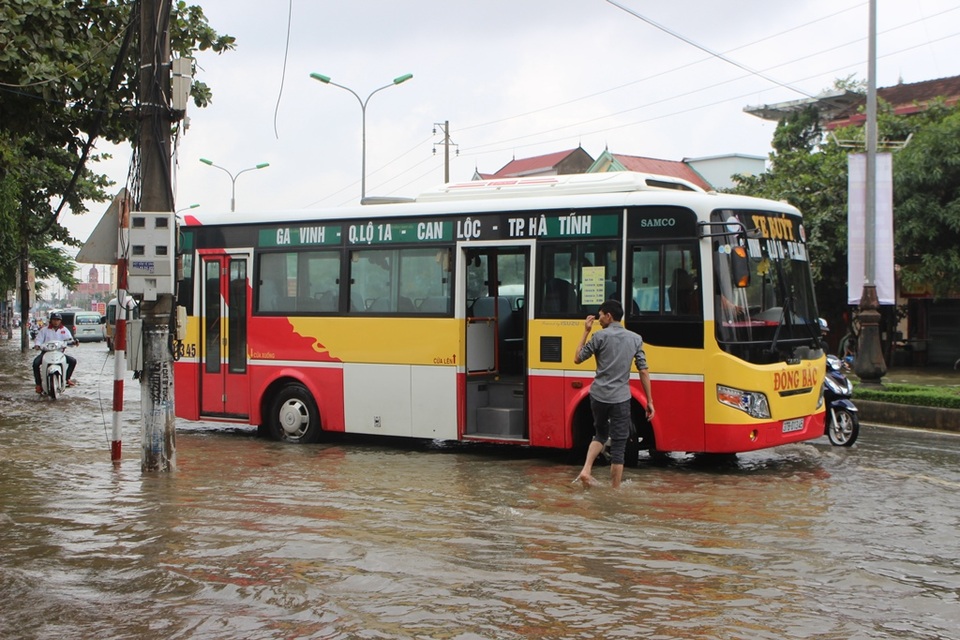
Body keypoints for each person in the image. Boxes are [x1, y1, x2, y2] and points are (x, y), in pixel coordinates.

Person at [573, 299, 655, 488]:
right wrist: (649, 401)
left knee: (600, 434)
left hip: (598, 396)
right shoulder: (635, 339)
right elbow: (643, 370)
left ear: (609, 316)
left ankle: (586, 470)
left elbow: (577, 358)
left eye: (600, 315)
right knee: (618, 445)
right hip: (620, 399)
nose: (598, 319)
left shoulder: (599, 337)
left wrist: (585, 331)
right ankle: (614, 490)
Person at [33, 312, 78, 393]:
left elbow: (70, 340)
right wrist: (37, 345)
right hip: (46, 353)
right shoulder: (44, 330)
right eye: (54, 320)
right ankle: (38, 384)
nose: (56, 322)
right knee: (35, 363)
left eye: (58, 320)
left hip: (59, 353)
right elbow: (38, 340)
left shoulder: (64, 330)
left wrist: (74, 343)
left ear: (60, 321)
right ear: (51, 320)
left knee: (73, 361)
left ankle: (67, 379)